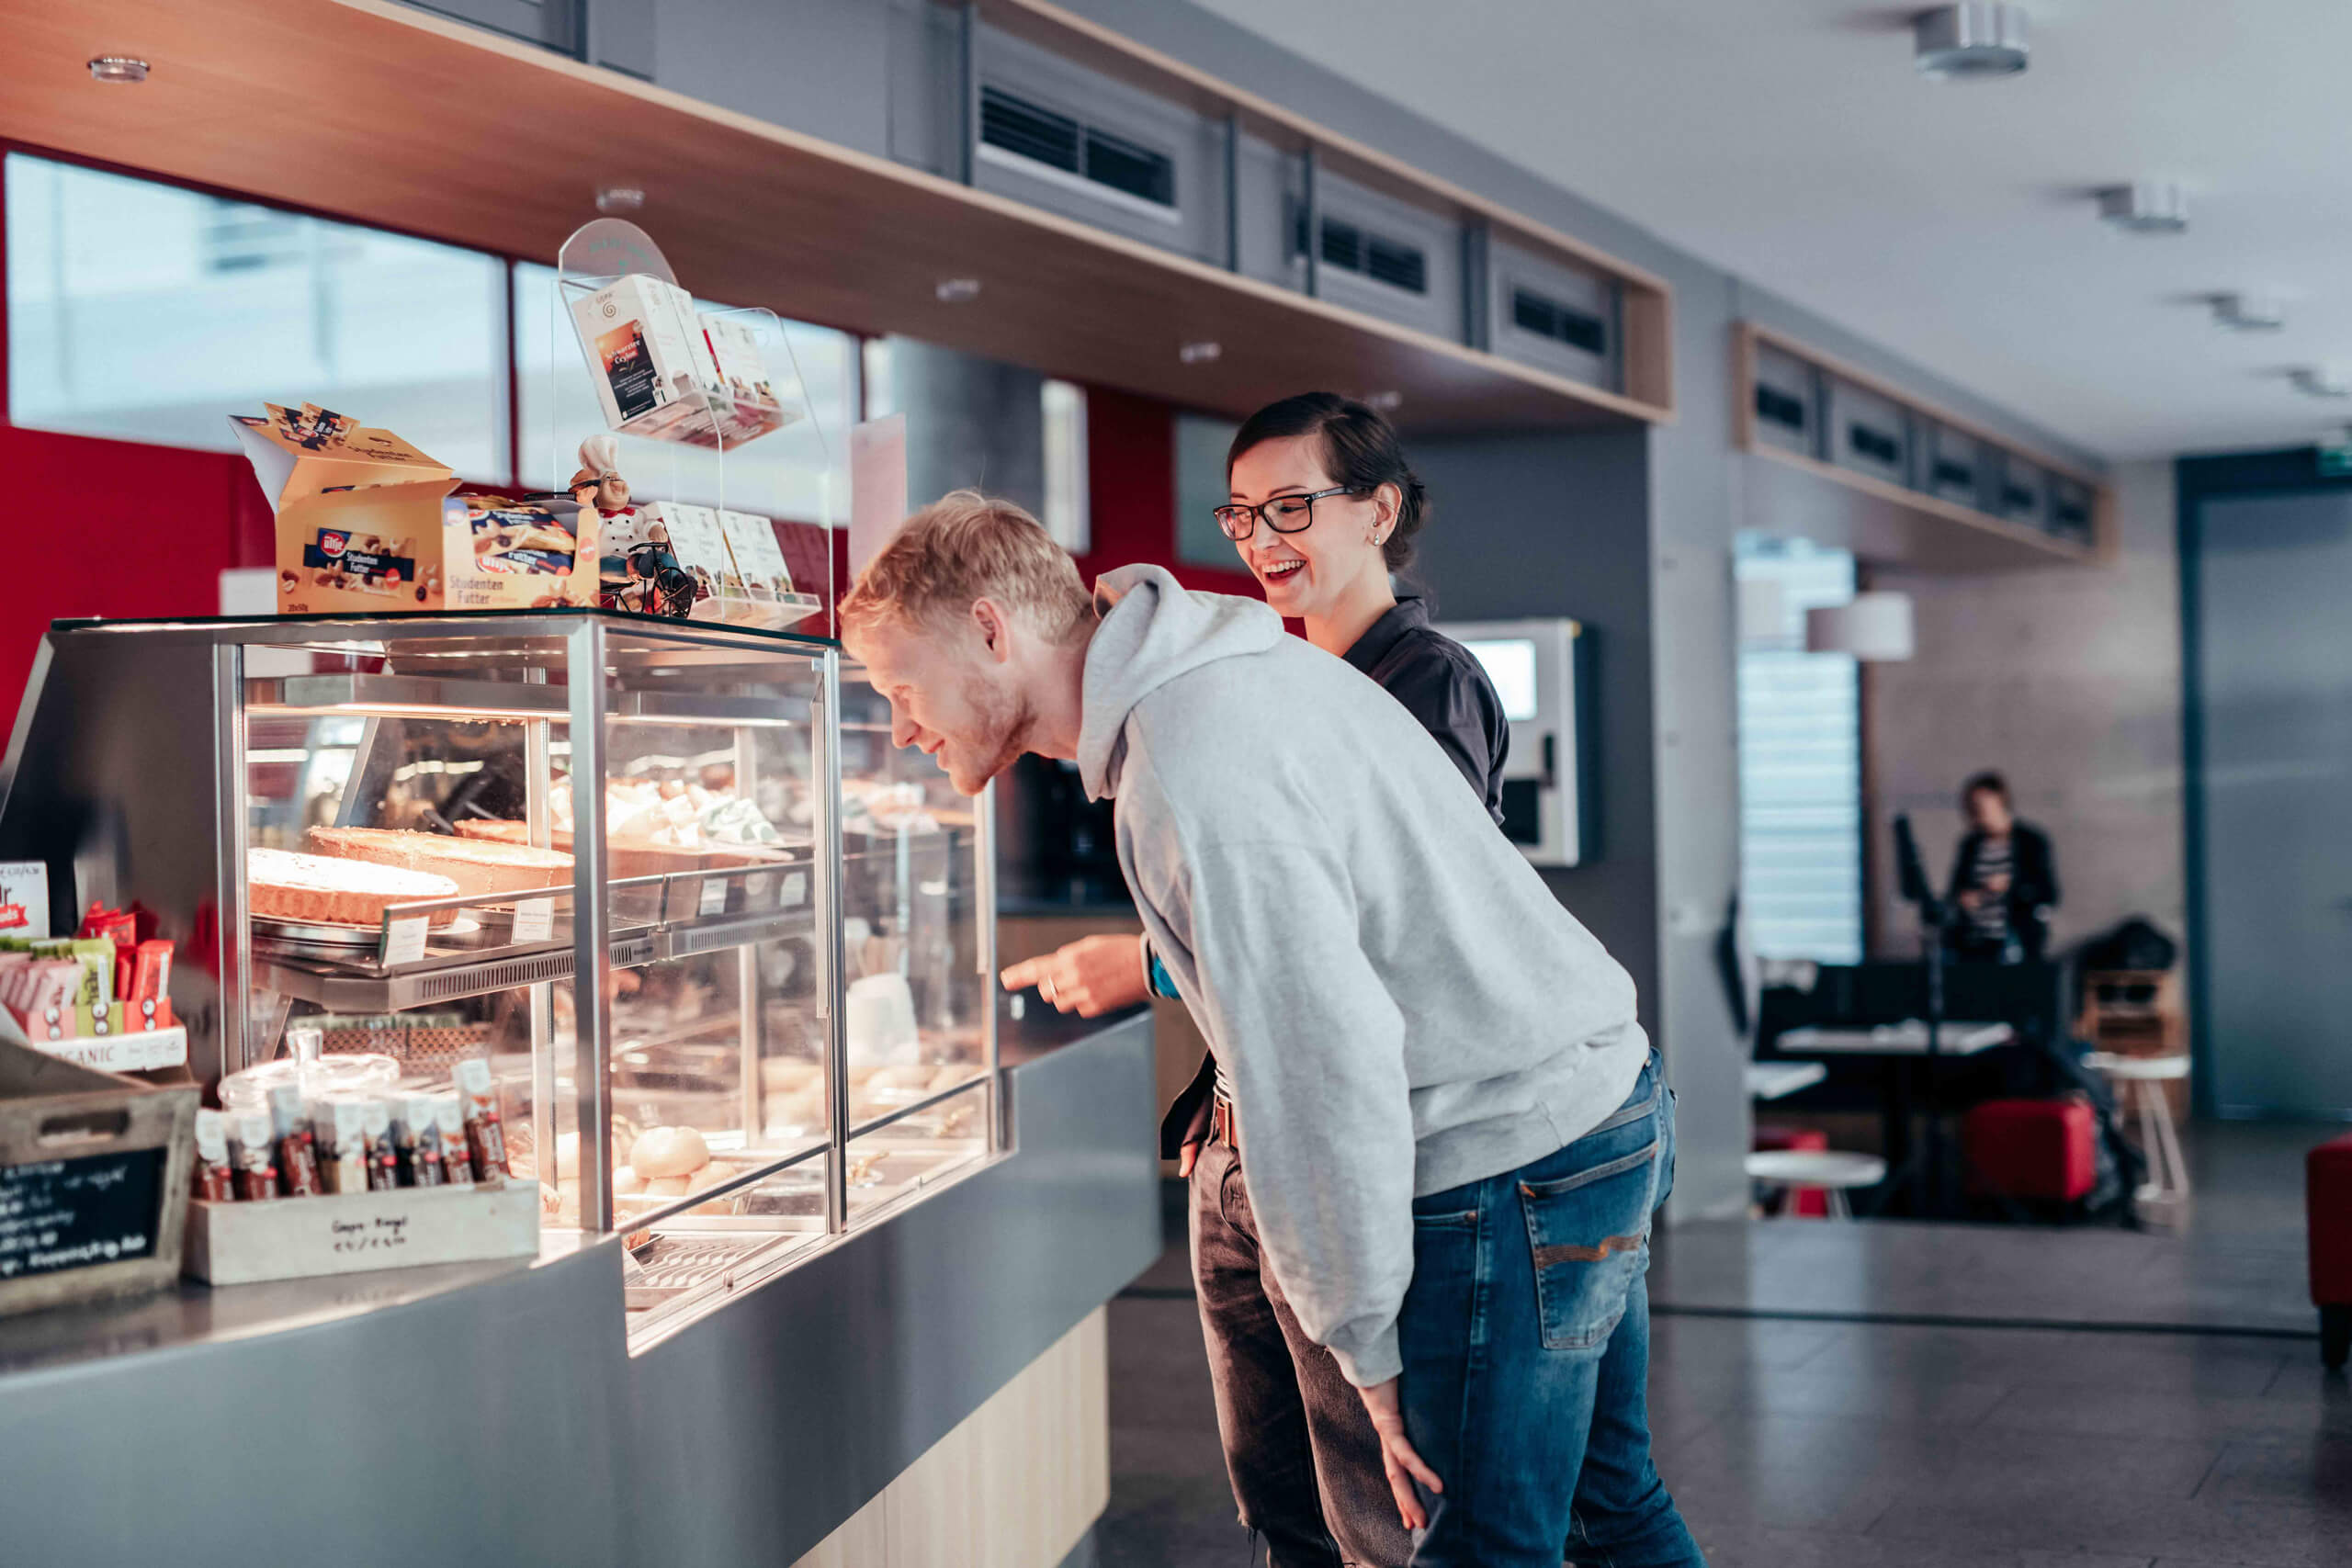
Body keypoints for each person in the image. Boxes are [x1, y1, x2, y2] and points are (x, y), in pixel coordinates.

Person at [841, 491, 1703, 1567]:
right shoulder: (1207, 681)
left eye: (901, 688)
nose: (901, 728)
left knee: (1468, 1550)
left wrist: (1364, 1348)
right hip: (1589, 1109)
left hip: (1501, 1157)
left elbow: (1318, 1066)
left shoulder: (1188, 759)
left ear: (988, 629)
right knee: (1608, 1514)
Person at [1004, 392, 1512, 1566]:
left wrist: (1144, 965)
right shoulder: (1273, 673)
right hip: (1238, 1146)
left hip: (1372, 1151)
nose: (1260, 540)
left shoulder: (1425, 679)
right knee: (1276, 1507)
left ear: (1378, 512)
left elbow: (1377, 926)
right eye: (1240, 515)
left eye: (1291, 507)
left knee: (1381, 1518)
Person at [1946, 771, 2059, 962]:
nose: (1975, 811)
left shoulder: (2030, 841)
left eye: (1980, 804)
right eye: (1971, 805)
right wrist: (1966, 898)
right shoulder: (1971, 845)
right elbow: (1955, 889)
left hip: (2015, 944)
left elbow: (2048, 893)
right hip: (1974, 943)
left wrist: (2012, 886)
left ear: (1999, 800)